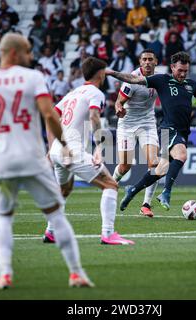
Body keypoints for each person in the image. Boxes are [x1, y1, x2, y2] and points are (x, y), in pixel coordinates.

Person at [0, 33, 93, 289]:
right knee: (56, 215)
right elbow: (49, 114)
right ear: (14, 53)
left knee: (3, 218)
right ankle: (76, 273)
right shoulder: (33, 78)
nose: (31, 56)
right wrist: (65, 145)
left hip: (2, 161)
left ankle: (4, 275)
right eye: (27, 51)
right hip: (32, 159)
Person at [106, 51, 196, 210]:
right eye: (179, 70)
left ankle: (132, 190)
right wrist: (112, 73)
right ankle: (166, 193)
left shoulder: (191, 85)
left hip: (182, 132)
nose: (182, 74)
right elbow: (134, 79)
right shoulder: (162, 80)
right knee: (181, 155)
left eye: (185, 71)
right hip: (168, 129)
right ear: (172, 67)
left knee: (160, 168)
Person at [44, 56, 134, 246]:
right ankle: (108, 234)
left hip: (57, 152)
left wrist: (50, 147)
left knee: (64, 189)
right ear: (101, 74)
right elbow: (94, 116)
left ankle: (51, 232)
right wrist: (99, 148)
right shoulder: (95, 93)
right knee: (110, 185)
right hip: (72, 150)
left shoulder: (72, 93)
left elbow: (50, 117)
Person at [112, 49, 160, 218]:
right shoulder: (132, 79)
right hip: (127, 124)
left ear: (156, 62)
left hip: (147, 123)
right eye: (144, 59)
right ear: (140, 63)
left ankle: (146, 204)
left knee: (154, 164)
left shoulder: (158, 79)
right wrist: (119, 109)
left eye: (150, 59)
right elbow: (119, 101)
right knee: (125, 165)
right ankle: (111, 186)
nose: (147, 62)